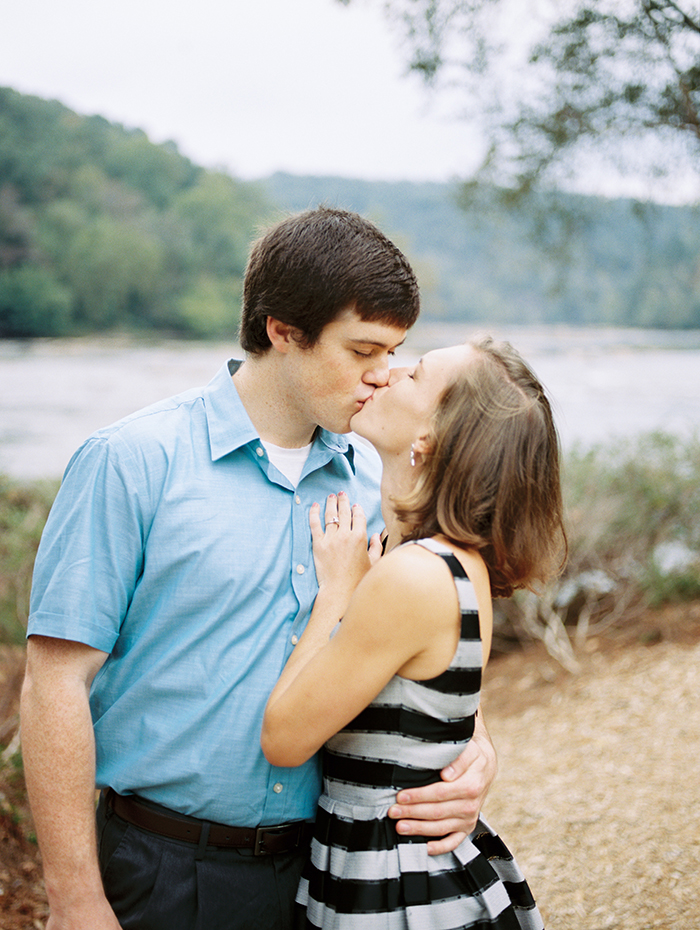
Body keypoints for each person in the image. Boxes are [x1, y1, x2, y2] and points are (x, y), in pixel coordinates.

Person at [21, 207, 497, 930]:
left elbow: (419, 649)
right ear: (283, 331)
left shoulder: (375, 486)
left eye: (395, 352)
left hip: (327, 873)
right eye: (363, 350)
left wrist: (479, 753)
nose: (383, 376)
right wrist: (74, 896)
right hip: (162, 870)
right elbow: (54, 682)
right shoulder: (131, 461)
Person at [262, 336, 567, 929]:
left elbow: (284, 738)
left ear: (427, 443)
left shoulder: (413, 574)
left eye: (415, 374)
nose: (388, 374)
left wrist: (337, 593)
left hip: (393, 887)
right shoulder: (448, 561)